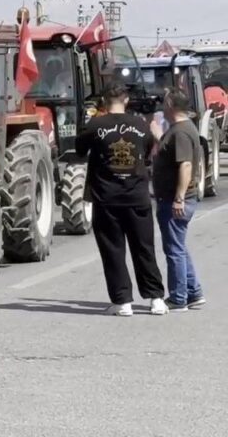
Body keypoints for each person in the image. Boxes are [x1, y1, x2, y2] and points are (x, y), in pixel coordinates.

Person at [74, 82, 167, 316]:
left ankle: (122, 301)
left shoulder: (95, 124)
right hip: (137, 195)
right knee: (144, 248)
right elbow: (146, 152)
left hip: (107, 198)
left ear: (104, 102)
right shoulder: (140, 124)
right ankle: (156, 299)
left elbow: (79, 150)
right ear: (125, 101)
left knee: (113, 250)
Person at [151, 88, 207, 312]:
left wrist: (179, 198)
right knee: (179, 247)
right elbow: (169, 150)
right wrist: (157, 134)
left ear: (172, 106)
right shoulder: (177, 130)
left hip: (175, 200)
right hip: (173, 198)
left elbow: (185, 164)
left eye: (164, 103)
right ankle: (194, 293)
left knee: (174, 250)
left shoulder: (181, 132)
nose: (162, 107)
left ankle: (178, 298)